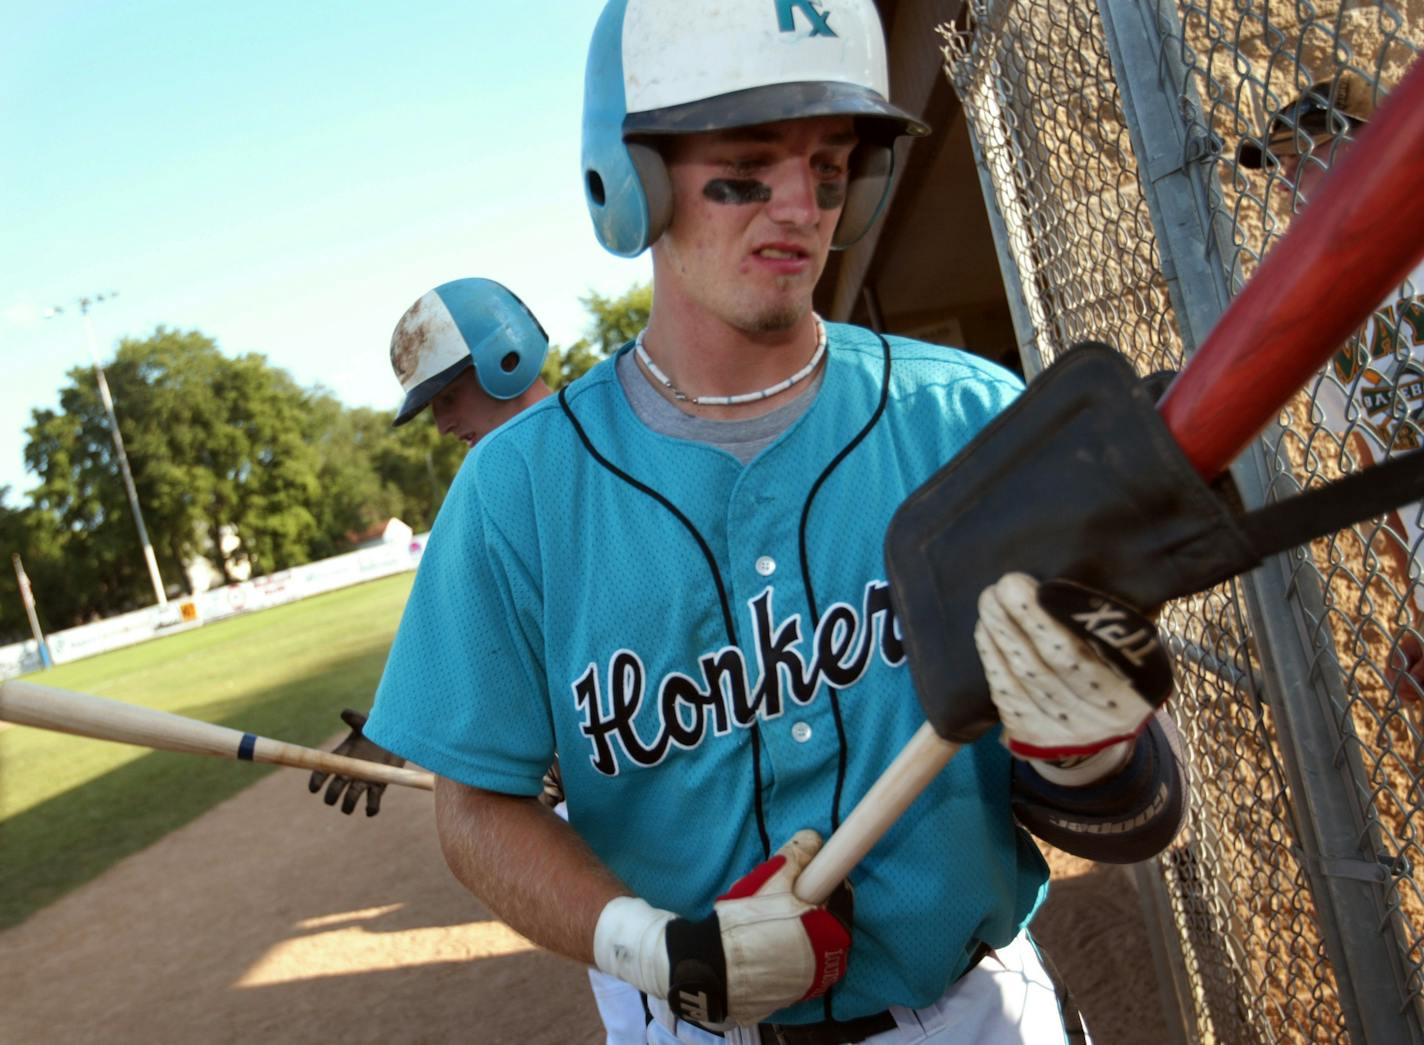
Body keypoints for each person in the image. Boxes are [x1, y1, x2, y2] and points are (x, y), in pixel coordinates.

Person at [367, 3, 1187, 1042]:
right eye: (746, 171)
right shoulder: (514, 495)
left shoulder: (969, 421)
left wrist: (1085, 757)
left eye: (829, 165)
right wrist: (651, 947)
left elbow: (1142, 813)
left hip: (971, 1012)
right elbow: (478, 809)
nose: (799, 207)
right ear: (631, 183)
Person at [307, 276, 555, 818]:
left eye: (446, 398)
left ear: (505, 359)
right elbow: (460, 620)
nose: (442, 425)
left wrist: (392, 727)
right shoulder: (505, 471)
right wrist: (393, 726)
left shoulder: (493, 473)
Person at [1237, 73, 1424, 688]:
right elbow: (1381, 471)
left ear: (1371, 151)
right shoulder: (1329, 310)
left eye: (1304, 159)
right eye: (1280, 168)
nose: (1285, 185)